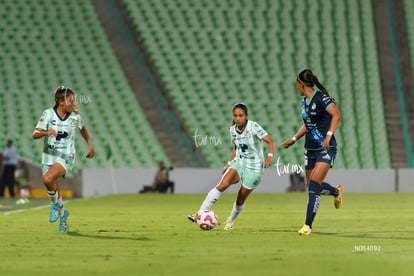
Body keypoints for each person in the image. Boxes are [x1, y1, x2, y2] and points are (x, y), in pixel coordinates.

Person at [188, 103, 275, 230]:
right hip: (239, 162)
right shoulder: (232, 130)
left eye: (241, 115)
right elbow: (236, 148)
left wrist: (269, 157)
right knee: (222, 185)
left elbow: (270, 141)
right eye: (235, 115)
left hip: (254, 168)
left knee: (240, 198)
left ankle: (230, 220)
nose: (238, 118)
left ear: (246, 116)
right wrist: (228, 164)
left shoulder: (253, 126)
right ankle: (200, 213)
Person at [282, 69, 344, 236]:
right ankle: (336, 192)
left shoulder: (321, 98)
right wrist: (294, 139)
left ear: (302, 84)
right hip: (310, 150)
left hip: (325, 148)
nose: (296, 87)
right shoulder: (304, 102)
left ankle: (307, 225)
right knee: (313, 186)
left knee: (314, 185)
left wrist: (328, 136)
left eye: (297, 84)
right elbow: (308, 125)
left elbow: (336, 115)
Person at [32, 86, 94, 233]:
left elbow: (83, 129)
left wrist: (90, 145)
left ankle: (54, 207)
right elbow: (35, 134)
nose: (74, 103)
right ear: (61, 102)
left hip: (66, 156)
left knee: (47, 180)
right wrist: (47, 132)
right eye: (71, 100)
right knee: (54, 187)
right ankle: (63, 215)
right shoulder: (48, 114)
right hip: (48, 156)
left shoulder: (75, 117)